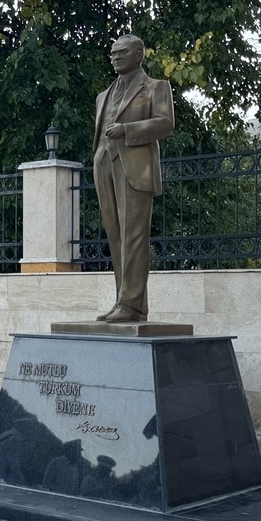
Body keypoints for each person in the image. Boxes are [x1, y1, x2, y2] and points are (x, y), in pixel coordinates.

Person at [92, 34, 175, 323]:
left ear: (138, 55)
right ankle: (124, 303)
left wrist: (127, 130)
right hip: (104, 164)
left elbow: (165, 123)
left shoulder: (156, 88)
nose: (115, 57)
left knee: (135, 237)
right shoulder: (103, 96)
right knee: (116, 237)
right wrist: (99, 155)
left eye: (122, 52)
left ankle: (131, 303)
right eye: (112, 53)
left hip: (135, 167)